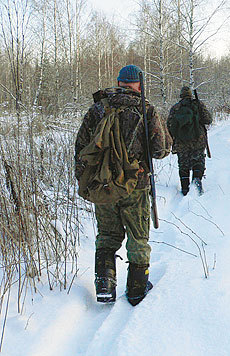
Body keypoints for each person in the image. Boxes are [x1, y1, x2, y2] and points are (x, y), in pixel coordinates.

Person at [74, 64, 172, 306]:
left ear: (119, 82)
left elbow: (80, 149)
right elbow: (161, 150)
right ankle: (137, 289)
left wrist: (88, 180)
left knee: (107, 235)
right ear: (138, 85)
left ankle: (105, 285)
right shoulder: (146, 110)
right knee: (138, 237)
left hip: (103, 185)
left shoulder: (98, 109)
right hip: (135, 186)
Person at [167, 86, 212, 195]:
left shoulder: (175, 108)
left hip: (181, 142)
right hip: (198, 140)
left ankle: (185, 189)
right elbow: (208, 120)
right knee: (198, 161)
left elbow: (169, 125)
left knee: (183, 165)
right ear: (190, 95)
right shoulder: (198, 104)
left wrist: (176, 137)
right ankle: (196, 182)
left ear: (181, 95)